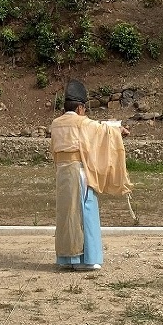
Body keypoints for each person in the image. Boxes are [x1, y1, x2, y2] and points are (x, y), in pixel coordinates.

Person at [50, 80, 130, 272]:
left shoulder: (56, 123)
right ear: (80, 108)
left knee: (66, 214)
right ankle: (86, 259)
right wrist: (120, 131)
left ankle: (67, 258)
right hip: (79, 171)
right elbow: (103, 131)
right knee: (85, 211)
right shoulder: (81, 123)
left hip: (62, 172)